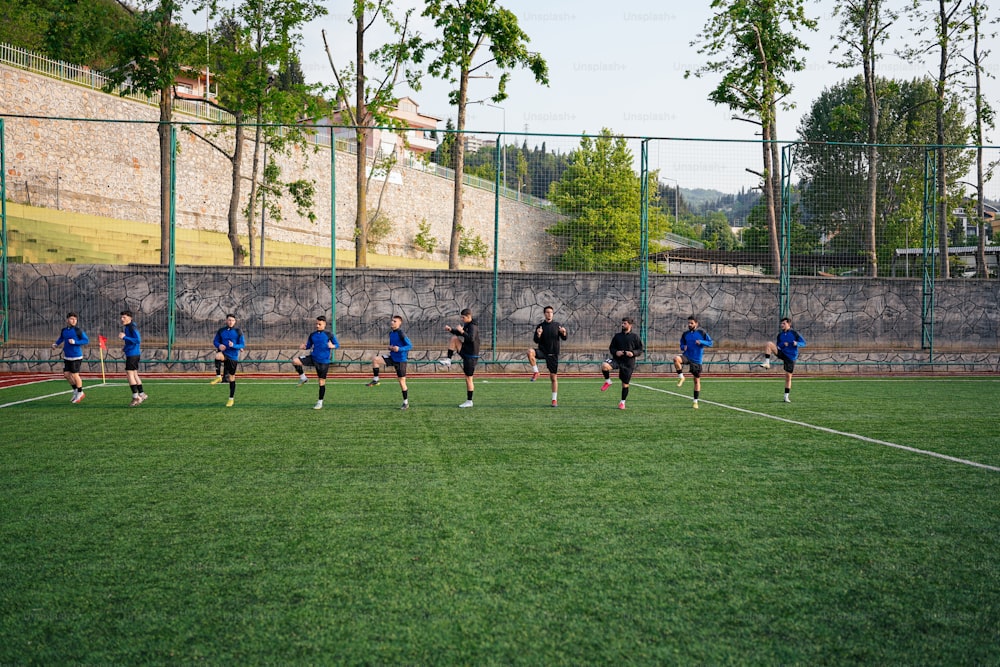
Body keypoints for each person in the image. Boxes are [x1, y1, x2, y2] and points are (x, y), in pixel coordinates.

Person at [366, 314, 413, 410]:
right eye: (392, 320)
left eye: (395, 321)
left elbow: (409, 346)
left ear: (400, 323)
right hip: (392, 357)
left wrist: (399, 349)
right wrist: (391, 347)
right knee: (375, 359)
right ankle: (376, 380)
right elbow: (393, 345)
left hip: (401, 361)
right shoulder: (391, 333)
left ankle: (405, 402)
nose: (392, 322)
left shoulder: (401, 333)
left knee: (402, 382)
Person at [292, 315, 339, 410]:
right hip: (313, 358)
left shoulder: (329, 334)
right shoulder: (312, 335)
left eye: (319, 324)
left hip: (323, 361)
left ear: (324, 324)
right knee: (295, 361)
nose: (317, 326)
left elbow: (337, 345)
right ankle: (303, 378)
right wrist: (304, 347)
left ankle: (320, 402)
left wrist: (332, 346)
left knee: (321, 382)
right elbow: (309, 346)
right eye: (316, 324)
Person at [527, 305, 568, 407]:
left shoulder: (557, 325)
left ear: (553, 314)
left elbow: (564, 338)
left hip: (553, 354)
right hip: (542, 351)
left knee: (553, 378)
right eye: (547, 312)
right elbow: (536, 340)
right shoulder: (540, 326)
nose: (549, 314)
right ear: (544, 314)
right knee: (529, 352)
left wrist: (564, 332)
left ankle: (554, 400)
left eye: (551, 312)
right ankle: (536, 372)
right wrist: (539, 334)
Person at [600, 316, 643, 410]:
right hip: (617, 360)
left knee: (625, 384)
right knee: (604, 365)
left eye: (625, 323)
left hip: (628, 363)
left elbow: (640, 350)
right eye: (622, 323)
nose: (622, 325)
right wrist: (616, 352)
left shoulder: (635, 337)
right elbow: (611, 348)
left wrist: (633, 353)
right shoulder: (617, 336)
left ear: (630, 325)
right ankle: (608, 381)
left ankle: (622, 402)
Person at [440, 308, 481, 408]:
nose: (462, 319)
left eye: (463, 317)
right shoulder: (468, 325)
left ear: (468, 317)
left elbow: (470, 338)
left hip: (471, 356)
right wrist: (451, 330)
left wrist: (462, 331)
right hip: (466, 352)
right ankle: (448, 360)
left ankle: (469, 401)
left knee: (468, 379)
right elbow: (460, 334)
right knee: (454, 338)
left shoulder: (473, 326)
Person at [760, 317, 806, 403]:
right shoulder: (780, 335)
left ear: (789, 324)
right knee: (769, 344)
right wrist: (783, 345)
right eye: (781, 323)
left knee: (788, 377)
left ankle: (786, 397)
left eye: (784, 323)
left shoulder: (794, 333)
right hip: (782, 353)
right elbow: (778, 346)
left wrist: (797, 343)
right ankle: (767, 362)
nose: (782, 325)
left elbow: (804, 343)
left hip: (790, 357)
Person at [673, 315, 713, 409]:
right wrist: (683, 347)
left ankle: (695, 401)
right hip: (687, 356)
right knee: (676, 359)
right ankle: (681, 377)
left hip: (696, 360)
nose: (689, 325)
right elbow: (682, 344)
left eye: (691, 323)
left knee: (696, 380)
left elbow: (711, 343)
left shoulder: (701, 333)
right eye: (688, 323)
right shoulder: (685, 334)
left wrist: (702, 342)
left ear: (696, 323)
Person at [52, 312, 89, 404]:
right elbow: (61, 338)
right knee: (67, 375)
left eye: (75, 319)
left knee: (75, 375)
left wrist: (75, 342)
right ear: (67, 320)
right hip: (67, 356)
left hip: (76, 356)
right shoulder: (64, 330)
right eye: (72, 319)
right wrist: (56, 344)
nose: (74, 321)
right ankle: (76, 391)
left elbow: (86, 340)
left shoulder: (78, 330)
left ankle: (80, 392)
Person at [212, 314, 245, 407]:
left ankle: (231, 399)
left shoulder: (238, 331)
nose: (231, 322)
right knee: (218, 356)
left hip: (233, 357)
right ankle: (218, 376)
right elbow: (215, 341)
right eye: (229, 320)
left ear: (235, 322)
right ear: (226, 320)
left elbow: (242, 345)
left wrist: (234, 345)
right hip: (224, 353)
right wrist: (219, 345)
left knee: (231, 378)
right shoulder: (221, 331)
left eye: (232, 320)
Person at [119, 310, 147, 407]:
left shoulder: (131, 327)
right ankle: (142, 394)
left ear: (130, 318)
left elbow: (137, 340)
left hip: (133, 354)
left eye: (124, 317)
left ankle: (136, 397)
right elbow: (131, 342)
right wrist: (125, 348)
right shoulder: (128, 327)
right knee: (134, 374)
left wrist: (125, 337)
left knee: (129, 374)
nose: (122, 319)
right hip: (133, 353)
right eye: (122, 317)